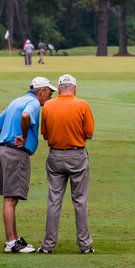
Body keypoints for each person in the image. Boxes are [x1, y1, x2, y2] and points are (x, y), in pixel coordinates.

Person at [0, 76, 57, 254]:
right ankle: (11, 243)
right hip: (15, 153)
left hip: (3, 152)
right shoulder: (34, 104)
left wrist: (1, 147)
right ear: (41, 91)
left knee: (10, 198)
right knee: (11, 199)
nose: (50, 96)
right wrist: (24, 136)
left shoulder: (17, 100)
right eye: (49, 92)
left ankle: (14, 239)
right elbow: (25, 116)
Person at [38, 74, 95, 254]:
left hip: (55, 155)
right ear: (74, 89)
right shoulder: (82, 105)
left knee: (54, 201)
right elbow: (89, 133)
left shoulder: (48, 105)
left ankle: (48, 246)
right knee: (80, 201)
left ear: (59, 89)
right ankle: (85, 245)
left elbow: (45, 134)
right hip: (77, 155)